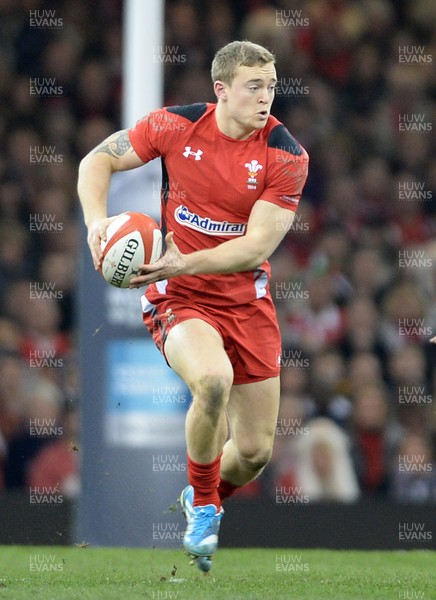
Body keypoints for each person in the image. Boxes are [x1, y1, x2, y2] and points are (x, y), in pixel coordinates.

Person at [77, 40, 309, 571]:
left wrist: (183, 261)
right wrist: (96, 223)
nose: (266, 97)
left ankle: (197, 495)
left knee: (253, 452)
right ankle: (205, 506)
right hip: (178, 295)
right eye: (254, 86)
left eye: (271, 86)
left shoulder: (286, 154)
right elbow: (96, 162)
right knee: (212, 381)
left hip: (244, 298)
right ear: (221, 90)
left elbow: (255, 247)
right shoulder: (174, 127)